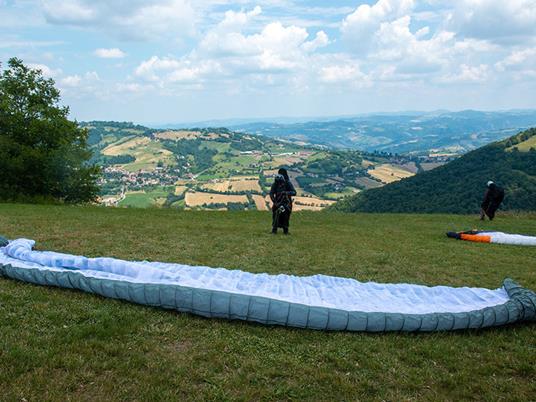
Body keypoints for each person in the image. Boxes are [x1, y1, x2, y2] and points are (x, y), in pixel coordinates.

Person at [269, 168, 297, 234]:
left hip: (286, 202)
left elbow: (294, 192)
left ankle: (285, 230)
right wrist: (274, 201)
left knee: (285, 216)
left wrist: (286, 193)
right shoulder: (276, 183)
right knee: (276, 214)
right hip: (277, 202)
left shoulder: (287, 183)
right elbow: (271, 193)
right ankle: (274, 230)